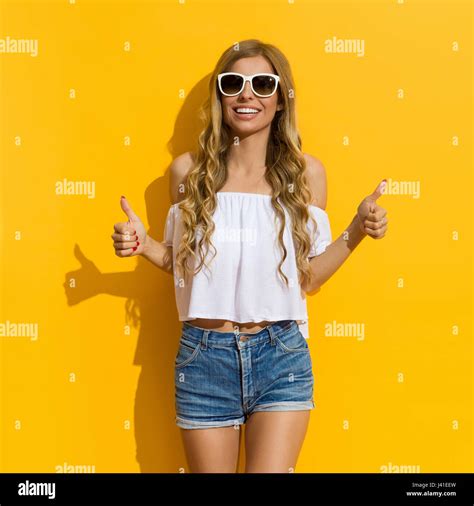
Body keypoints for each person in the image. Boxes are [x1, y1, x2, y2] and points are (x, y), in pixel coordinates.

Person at [111, 39, 388, 473]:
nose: (247, 95)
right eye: (233, 83)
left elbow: (309, 278)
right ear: (219, 96)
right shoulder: (188, 172)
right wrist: (142, 244)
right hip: (204, 357)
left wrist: (356, 231)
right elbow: (187, 269)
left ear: (280, 99)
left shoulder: (306, 174)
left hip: (281, 355)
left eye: (262, 83)